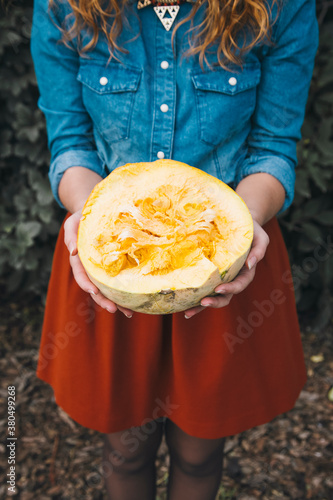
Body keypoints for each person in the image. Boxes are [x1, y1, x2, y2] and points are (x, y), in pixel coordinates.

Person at [30, 0, 318, 498]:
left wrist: (242, 225)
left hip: (223, 260)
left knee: (200, 452)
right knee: (126, 449)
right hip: (114, 256)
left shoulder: (282, 7)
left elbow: (273, 148)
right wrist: (90, 219)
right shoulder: (62, 6)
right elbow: (71, 145)